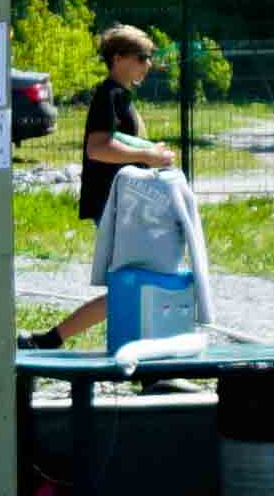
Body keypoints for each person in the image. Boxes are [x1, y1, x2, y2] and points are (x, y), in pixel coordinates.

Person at [29, 26, 184, 347]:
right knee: (135, 284)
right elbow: (97, 148)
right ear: (118, 58)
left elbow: (122, 145)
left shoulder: (121, 96)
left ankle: (50, 339)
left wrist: (150, 153)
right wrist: (146, 154)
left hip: (127, 204)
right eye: (142, 57)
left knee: (135, 283)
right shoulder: (109, 95)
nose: (148, 65)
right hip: (114, 206)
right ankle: (53, 340)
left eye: (150, 58)